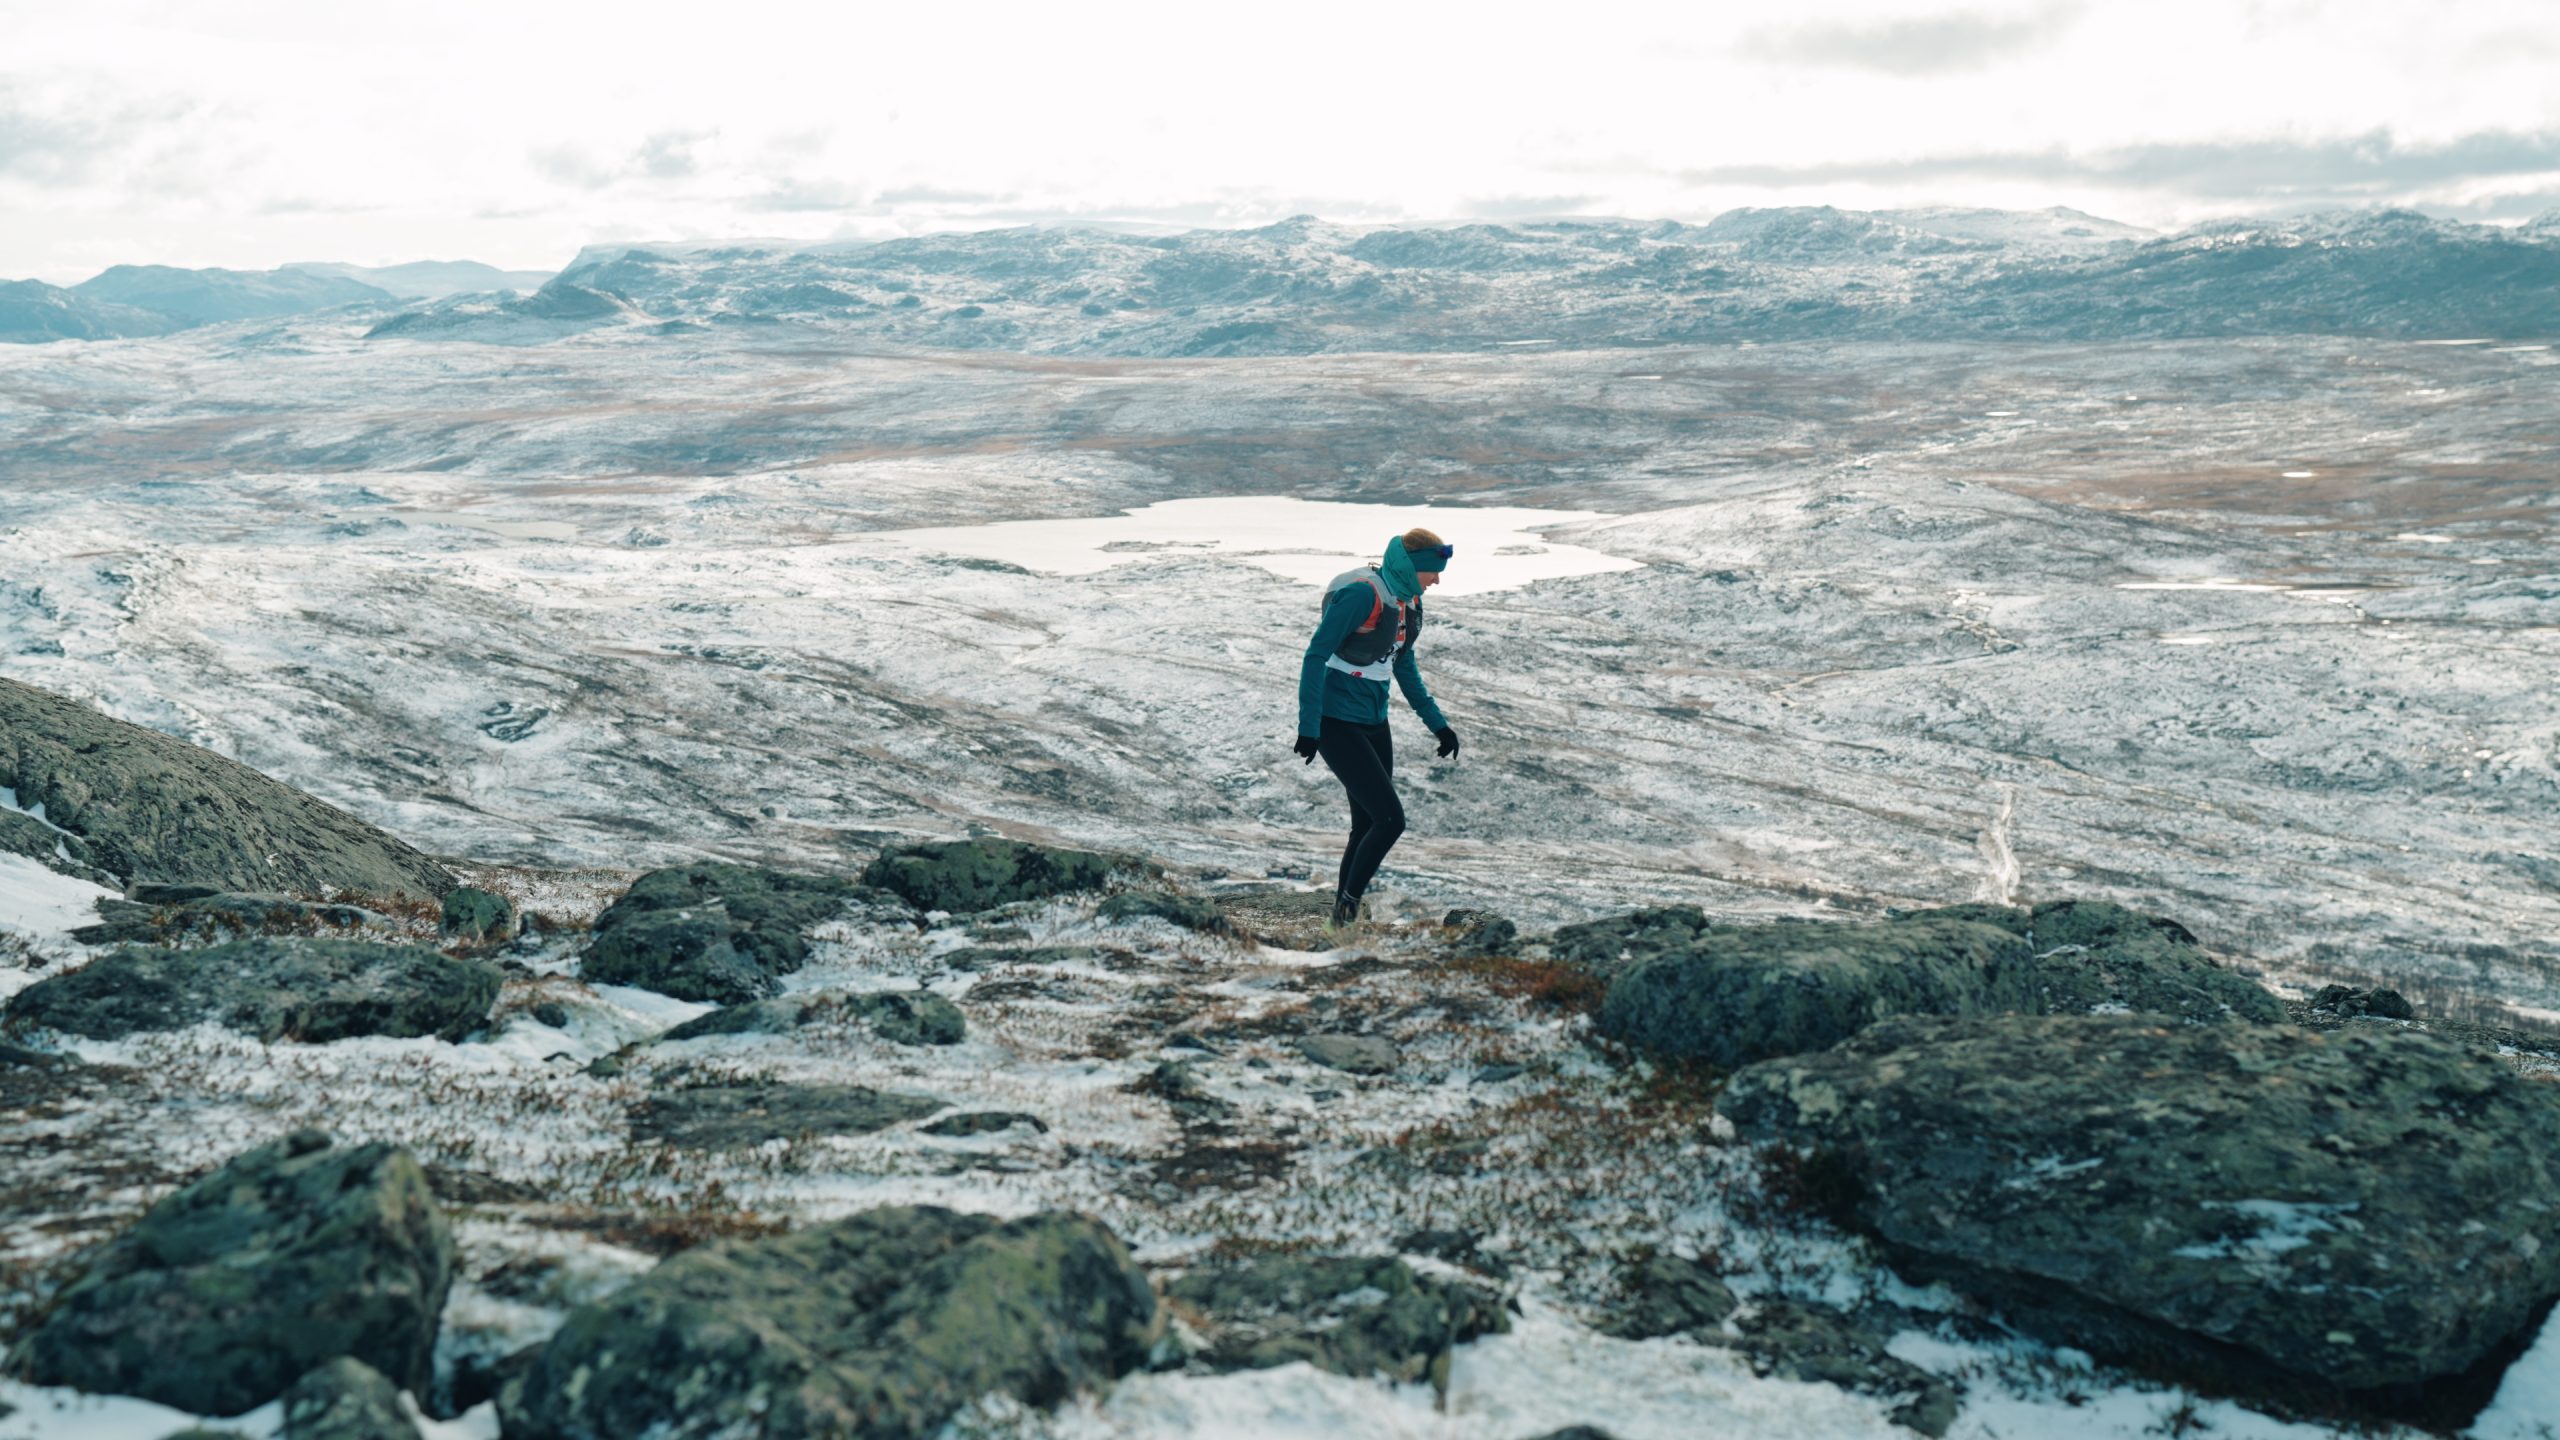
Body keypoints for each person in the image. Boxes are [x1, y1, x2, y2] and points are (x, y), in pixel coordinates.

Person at [1294, 527, 1460, 930]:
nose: (1437, 580)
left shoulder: (1409, 601)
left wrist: (1439, 725)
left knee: (1367, 823)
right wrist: (1309, 727)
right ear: (1413, 567)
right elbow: (1315, 655)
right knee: (1390, 820)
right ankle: (1348, 908)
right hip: (1336, 722)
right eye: (1432, 572)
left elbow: (1403, 664)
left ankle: (1340, 918)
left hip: (1373, 719)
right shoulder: (1362, 595)